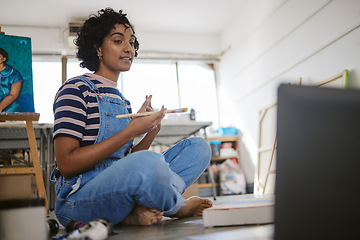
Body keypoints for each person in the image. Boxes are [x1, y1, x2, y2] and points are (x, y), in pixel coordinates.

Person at [50, 8, 213, 227]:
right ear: (97, 48)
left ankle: (137, 209)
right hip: (79, 198)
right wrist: (131, 130)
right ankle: (175, 206)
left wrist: (150, 131)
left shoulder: (122, 101)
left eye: (132, 42)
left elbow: (126, 161)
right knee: (149, 163)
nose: (129, 49)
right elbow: (67, 164)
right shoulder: (76, 89)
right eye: (118, 41)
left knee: (198, 148)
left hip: (121, 188)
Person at [0, 48, 23, 112]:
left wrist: (0, 107)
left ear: (4, 59)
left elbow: (13, 95)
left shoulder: (14, 74)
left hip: (10, 110)